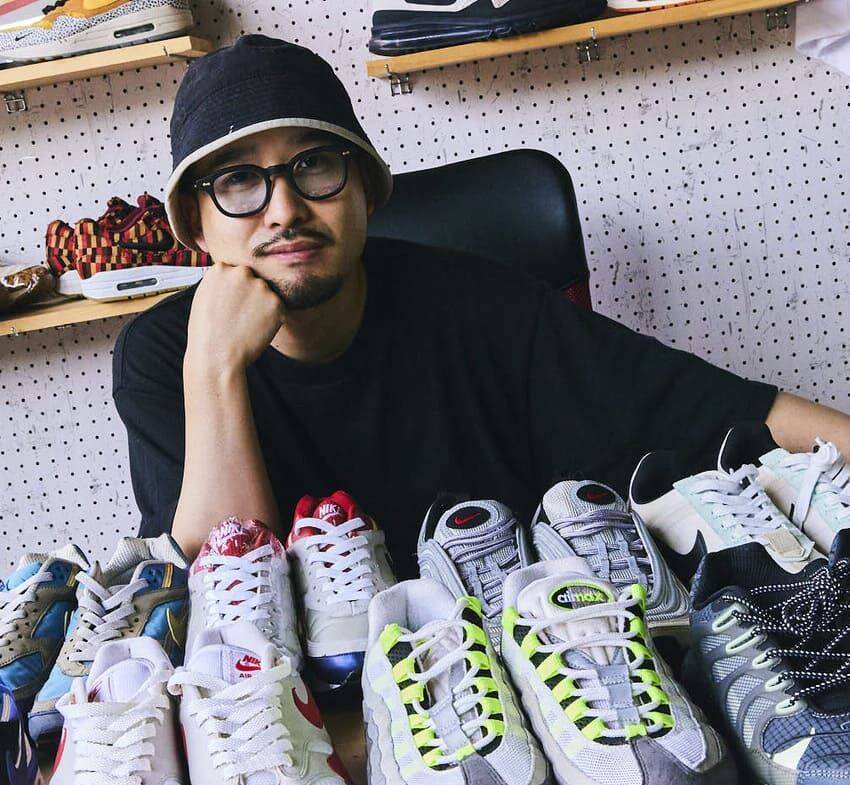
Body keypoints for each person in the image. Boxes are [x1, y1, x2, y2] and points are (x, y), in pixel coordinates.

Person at [113, 34, 850, 571]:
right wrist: (213, 371)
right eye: (239, 181)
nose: (284, 210)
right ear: (196, 226)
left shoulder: (483, 304)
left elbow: (737, 413)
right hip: (293, 698)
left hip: (539, 668)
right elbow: (230, 585)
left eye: (315, 164)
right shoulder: (162, 356)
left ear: (365, 189)